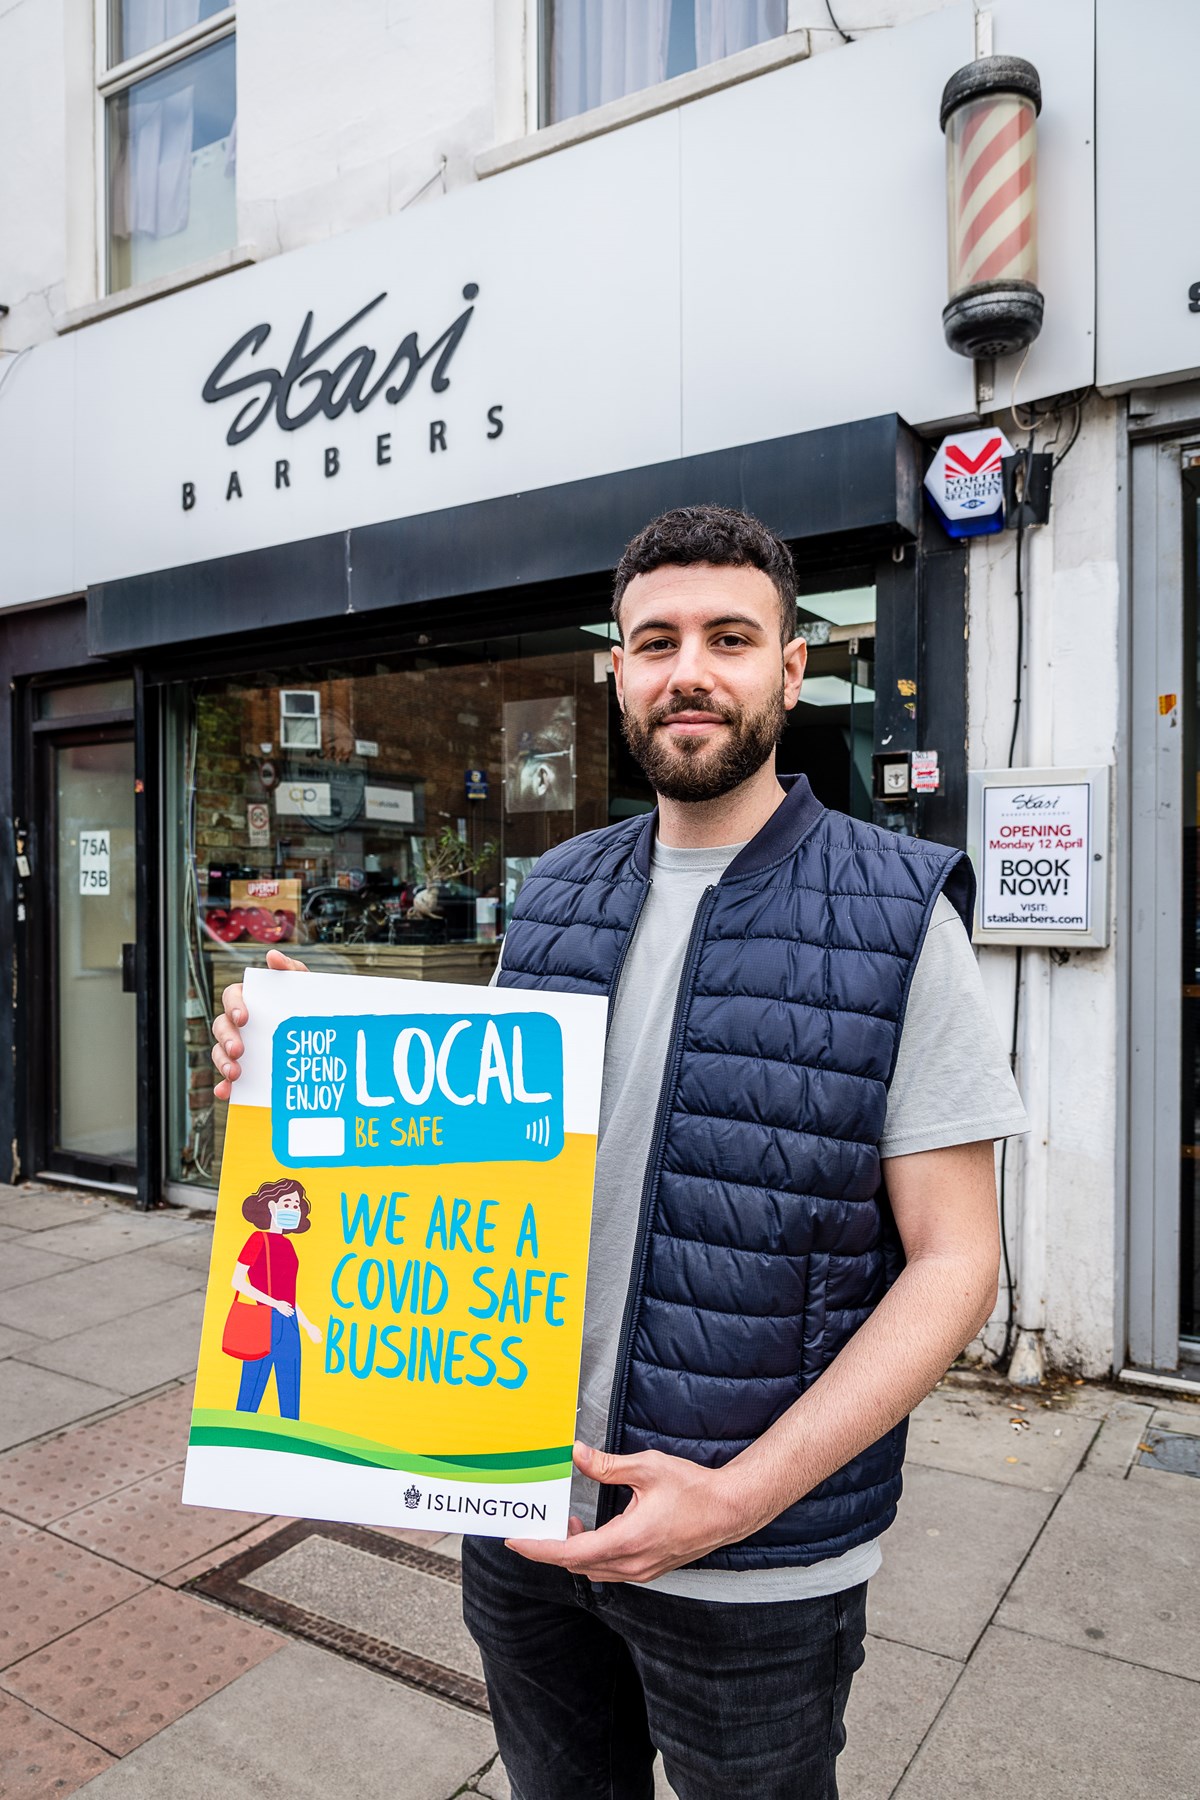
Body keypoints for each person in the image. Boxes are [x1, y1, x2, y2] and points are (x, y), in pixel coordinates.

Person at [211, 505, 1027, 1799]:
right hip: (520, 1518)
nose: (688, 670)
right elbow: (447, 1166)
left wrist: (742, 1496)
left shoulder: (898, 911)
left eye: (727, 636)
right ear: (617, 671)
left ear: (790, 667)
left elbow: (956, 1263)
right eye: (655, 640)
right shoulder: (554, 895)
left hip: (757, 1566)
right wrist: (289, 1068)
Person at [231, 1177, 322, 1420]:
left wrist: (307, 1324)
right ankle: (238, 1445)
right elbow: (237, 1281)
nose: (292, 1209)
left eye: (296, 1205)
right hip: (263, 1321)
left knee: (290, 1398)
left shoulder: (289, 1246)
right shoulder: (257, 1239)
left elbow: (289, 1296)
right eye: (287, 1203)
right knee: (250, 1395)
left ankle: (289, 1450)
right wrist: (274, 1304)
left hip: (289, 1325)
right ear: (271, 1206)